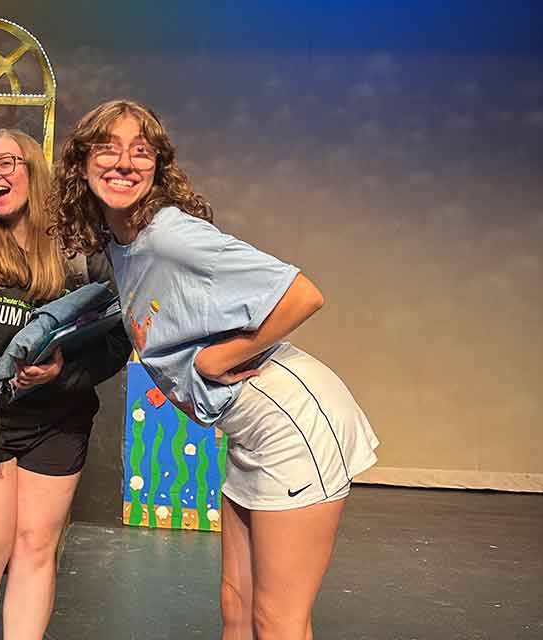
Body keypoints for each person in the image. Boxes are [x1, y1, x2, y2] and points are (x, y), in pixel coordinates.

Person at [50, 100, 380, 640]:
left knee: (277, 620)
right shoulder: (123, 243)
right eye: (107, 148)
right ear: (82, 163)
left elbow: (303, 294)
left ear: (158, 166)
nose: (124, 162)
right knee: (236, 605)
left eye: (141, 151)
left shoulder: (170, 236)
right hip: (248, 430)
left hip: (293, 424)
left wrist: (216, 358)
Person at [0, 128, 131, 640]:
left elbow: (113, 345)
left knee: (37, 550)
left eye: (5, 163)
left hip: (58, 422)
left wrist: (63, 371)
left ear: (32, 168)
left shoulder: (78, 246)